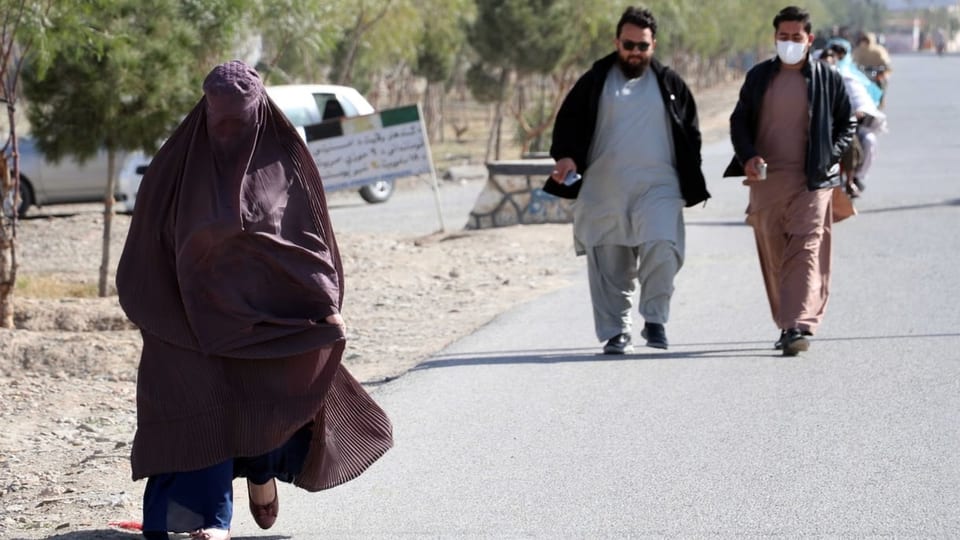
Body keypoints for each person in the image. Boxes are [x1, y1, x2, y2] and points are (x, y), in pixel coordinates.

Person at [116, 60, 393, 540]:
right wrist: (158, 302)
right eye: (220, 117)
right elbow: (148, 239)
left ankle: (261, 469)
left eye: (239, 118)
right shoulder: (176, 164)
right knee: (197, 400)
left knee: (264, 388)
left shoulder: (284, 161)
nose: (229, 130)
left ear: (260, 110)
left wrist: (325, 306)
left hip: (263, 316)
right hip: (187, 319)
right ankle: (205, 519)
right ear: (205, 109)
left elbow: (308, 241)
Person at [543, 6, 709, 354]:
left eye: (643, 46)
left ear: (654, 45)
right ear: (616, 42)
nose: (635, 52)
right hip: (605, 187)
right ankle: (616, 331)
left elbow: (690, 133)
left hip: (659, 187)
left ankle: (655, 318)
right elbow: (568, 124)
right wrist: (567, 157)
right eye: (629, 45)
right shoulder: (595, 81)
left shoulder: (670, 84)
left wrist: (690, 177)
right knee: (609, 262)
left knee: (663, 247)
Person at [723, 6, 856, 357]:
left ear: (809, 39)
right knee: (776, 255)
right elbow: (739, 122)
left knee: (806, 247)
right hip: (767, 181)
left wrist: (830, 155)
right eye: (784, 37)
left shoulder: (828, 78)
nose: (790, 43)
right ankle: (788, 322)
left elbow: (848, 123)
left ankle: (796, 325)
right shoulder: (758, 78)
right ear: (775, 38)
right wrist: (748, 155)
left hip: (813, 179)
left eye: (797, 38)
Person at [823, 40, 888, 197]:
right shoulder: (815, 76)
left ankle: (852, 179)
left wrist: (857, 114)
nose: (834, 58)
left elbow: (861, 103)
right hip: (820, 126)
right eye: (831, 54)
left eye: (839, 54)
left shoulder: (851, 78)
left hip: (846, 125)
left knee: (861, 142)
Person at [853, 32, 892, 106]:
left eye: (867, 40)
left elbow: (886, 61)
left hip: (878, 72)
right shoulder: (858, 50)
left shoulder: (879, 50)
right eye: (864, 40)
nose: (865, 42)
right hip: (863, 72)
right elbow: (853, 61)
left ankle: (881, 98)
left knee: (883, 81)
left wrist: (885, 68)